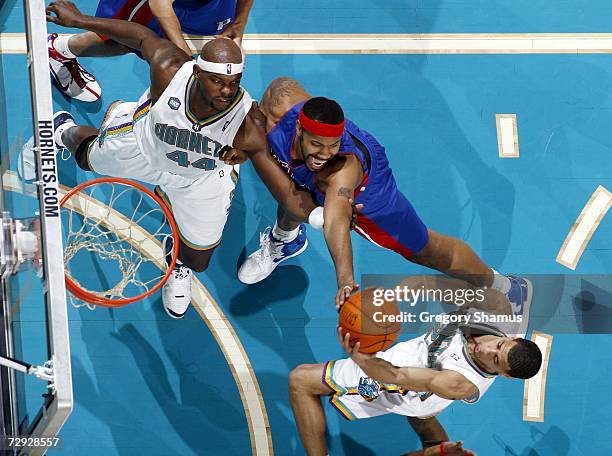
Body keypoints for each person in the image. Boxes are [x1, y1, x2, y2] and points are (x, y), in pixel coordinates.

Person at [44, 1, 317, 318]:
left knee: (199, 261)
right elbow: (142, 35)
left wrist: (320, 215)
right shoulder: (170, 70)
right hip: (144, 147)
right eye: (218, 81)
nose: (226, 91)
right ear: (198, 72)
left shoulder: (248, 126)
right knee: (86, 157)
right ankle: (63, 130)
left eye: (234, 83)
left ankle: (179, 263)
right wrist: (80, 20)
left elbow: (282, 190)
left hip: (198, 179)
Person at [238, 77, 532, 315]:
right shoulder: (280, 102)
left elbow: (337, 220)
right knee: (292, 194)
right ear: (299, 128)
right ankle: (286, 241)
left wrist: (345, 280)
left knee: (426, 249)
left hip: (371, 192)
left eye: (332, 145)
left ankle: (504, 285)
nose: (325, 154)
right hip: (310, 167)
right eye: (317, 144)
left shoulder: (343, 169)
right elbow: (283, 88)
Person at [288, 320, 542, 455]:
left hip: (396, 382)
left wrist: (358, 357)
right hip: (427, 394)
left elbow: (397, 375)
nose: (487, 350)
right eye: (499, 346)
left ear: (505, 375)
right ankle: (443, 451)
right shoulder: (496, 316)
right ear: (513, 337)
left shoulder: (460, 383)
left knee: (300, 380)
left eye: (495, 360)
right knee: (422, 415)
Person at [48, 0, 254, 101]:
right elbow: (160, 3)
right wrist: (184, 58)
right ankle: (59, 50)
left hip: (203, 6)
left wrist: (239, 23)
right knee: (126, 38)